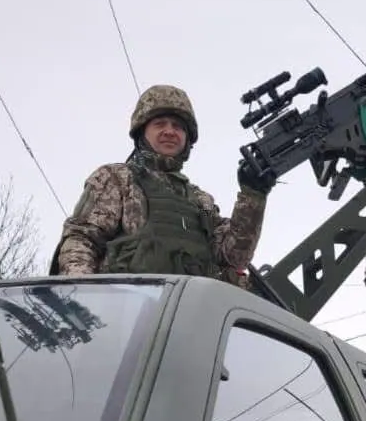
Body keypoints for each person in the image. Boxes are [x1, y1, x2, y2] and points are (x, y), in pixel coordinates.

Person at [52, 85, 274, 285]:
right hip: (126, 315)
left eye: (178, 126)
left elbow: (234, 257)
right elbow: (81, 241)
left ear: (187, 138)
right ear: (142, 132)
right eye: (160, 124)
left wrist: (252, 195)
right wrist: (86, 300)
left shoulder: (200, 201)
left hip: (188, 318)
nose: (170, 131)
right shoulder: (118, 178)